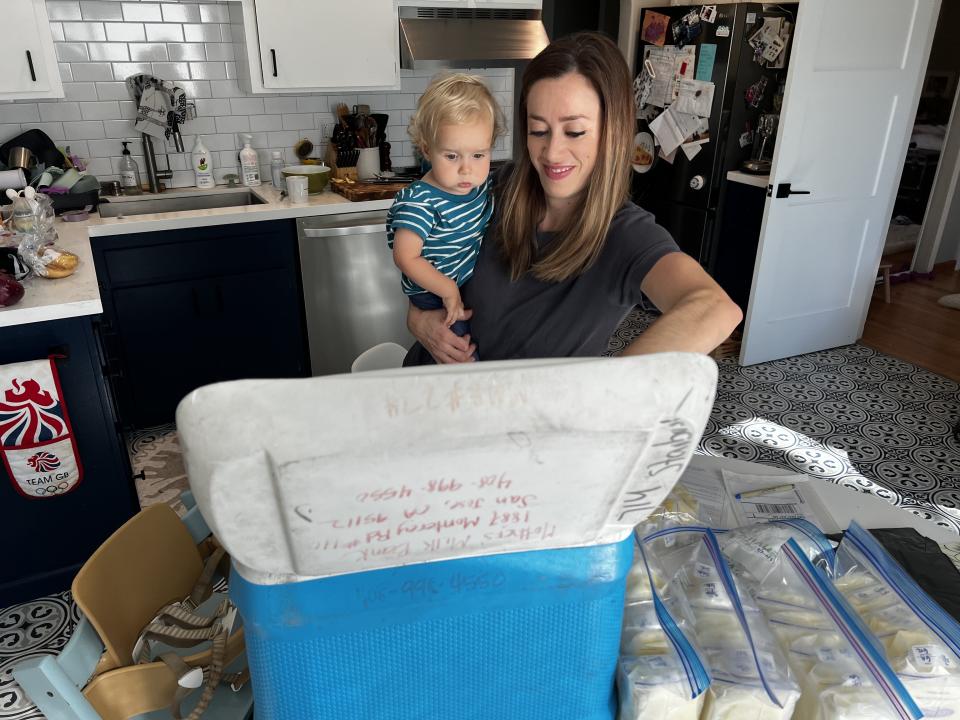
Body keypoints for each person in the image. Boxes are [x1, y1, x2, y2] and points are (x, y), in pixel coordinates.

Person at [404, 32, 742, 366]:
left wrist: (606, 390)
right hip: (424, 391)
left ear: (612, 130)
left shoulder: (626, 234)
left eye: (575, 131)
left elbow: (714, 307)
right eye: (538, 130)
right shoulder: (491, 190)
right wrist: (418, 320)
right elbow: (428, 262)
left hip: (514, 419)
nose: (552, 152)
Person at [387, 73, 505, 360]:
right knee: (461, 351)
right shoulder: (420, 201)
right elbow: (406, 257)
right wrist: (447, 289)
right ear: (427, 149)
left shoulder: (480, 186)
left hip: (459, 281)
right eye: (452, 156)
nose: (467, 169)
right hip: (433, 291)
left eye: (479, 155)